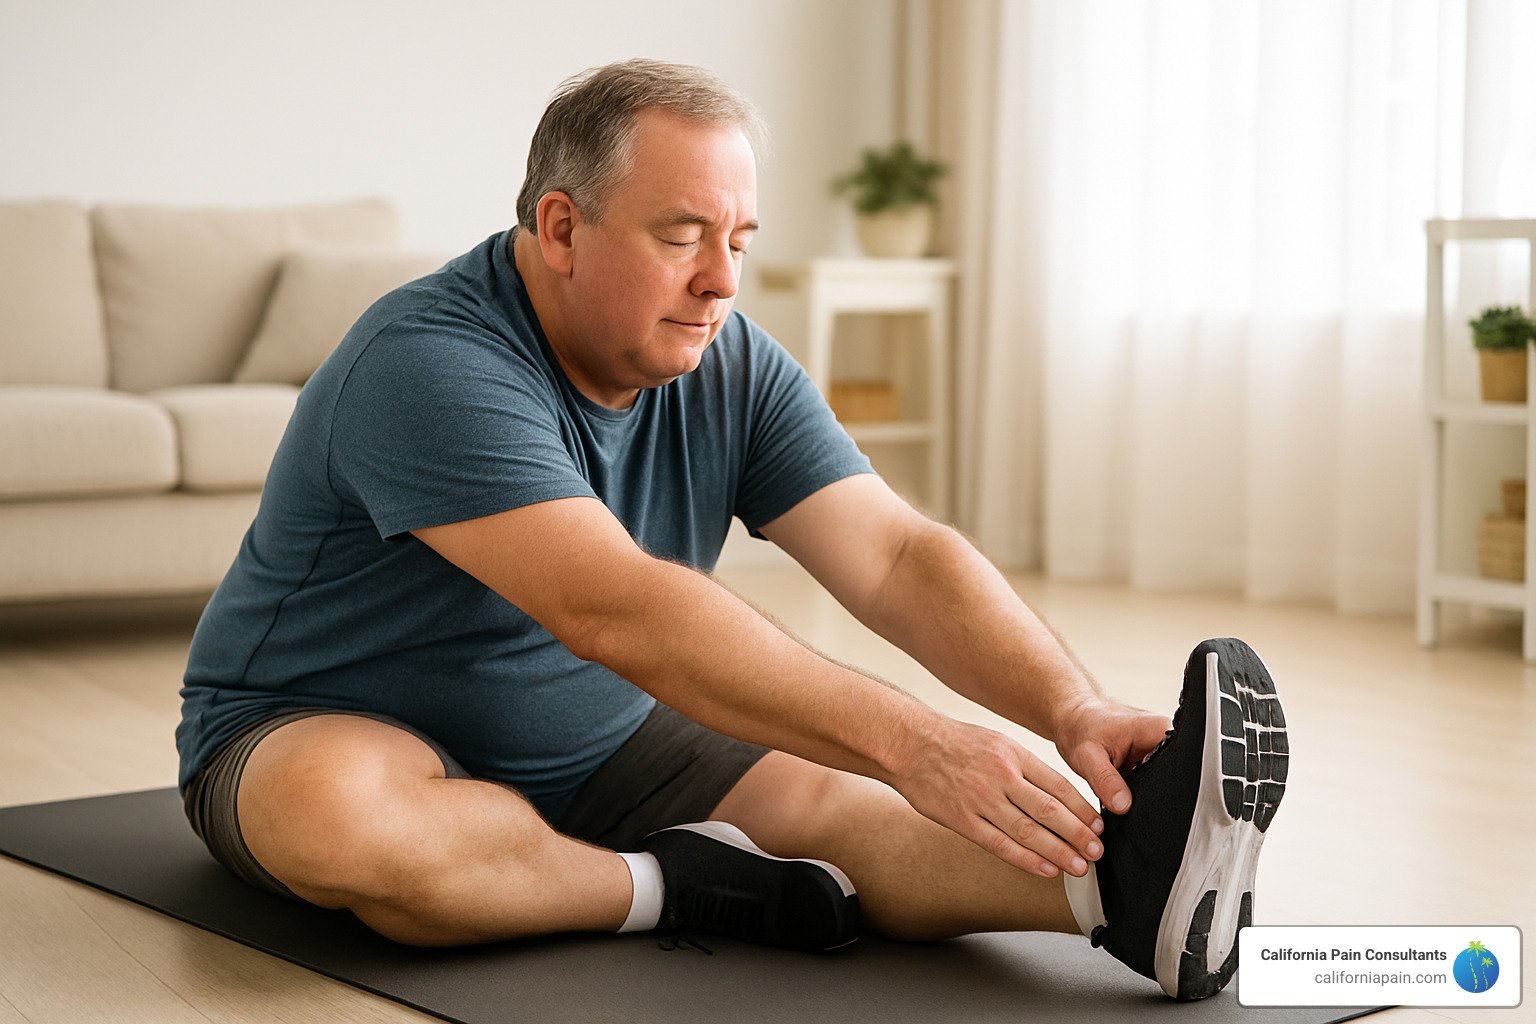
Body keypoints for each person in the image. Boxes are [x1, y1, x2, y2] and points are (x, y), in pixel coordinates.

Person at [176, 58, 1286, 1002]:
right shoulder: (429, 363)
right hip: (333, 721)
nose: (720, 281)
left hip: (601, 736)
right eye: (682, 235)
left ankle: (1118, 891)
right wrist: (915, 738)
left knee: (831, 806)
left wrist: (1070, 706)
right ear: (561, 227)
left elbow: (897, 557)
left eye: (740, 240)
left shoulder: (727, 361)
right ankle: (671, 885)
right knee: (350, 825)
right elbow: (617, 608)